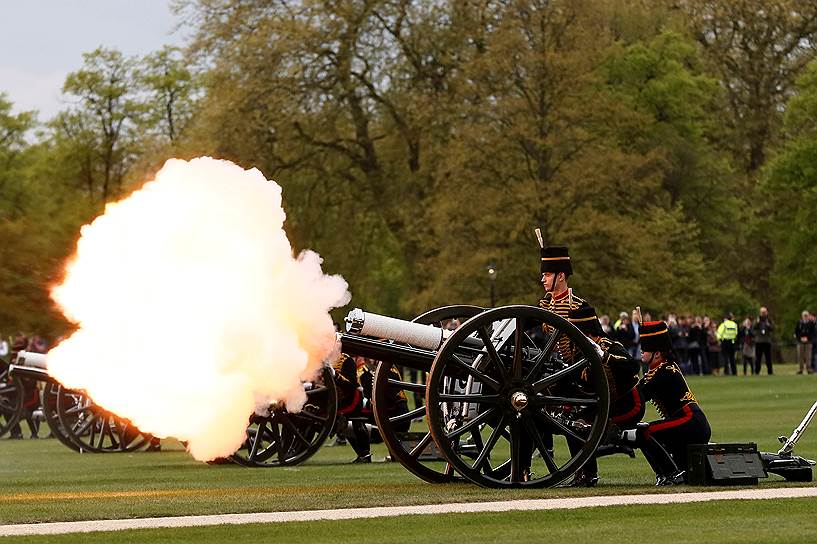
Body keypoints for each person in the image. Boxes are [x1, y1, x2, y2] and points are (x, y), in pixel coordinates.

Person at [630, 321, 711, 483]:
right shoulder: (657, 370)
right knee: (643, 432)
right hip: (685, 421)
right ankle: (665, 474)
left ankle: (671, 474)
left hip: (691, 421)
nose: (641, 350)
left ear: (657, 354)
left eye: (645, 349)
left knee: (646, 432)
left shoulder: (665, 371)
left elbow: (640, 395)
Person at [753, 307, 774, 375]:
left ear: (767, 312)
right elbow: (753, 327)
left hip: (767, 341)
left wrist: (768, 325)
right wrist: (758, 322)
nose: (763, 314)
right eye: (762, 312)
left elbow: (773, 328)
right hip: (759, 341)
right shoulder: (757, 319)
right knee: (758, 358)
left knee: (768, 357)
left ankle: (770, 371)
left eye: (764, 312)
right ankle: (757, 371)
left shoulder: (769, 320)